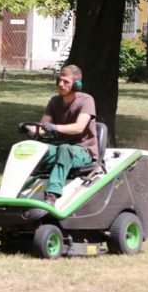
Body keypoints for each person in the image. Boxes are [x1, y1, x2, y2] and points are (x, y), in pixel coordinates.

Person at [27, 64, 98, 206]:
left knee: (65, 149)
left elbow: (78, 128)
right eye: (59, 80)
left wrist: (55, 127)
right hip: (60, 148)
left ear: (77, 85)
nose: (60, 84)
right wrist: (29, 128)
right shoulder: (54, 101)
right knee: (31, 149)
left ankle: (52, 195)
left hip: (83, 150)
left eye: (66, 82)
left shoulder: (86, 100)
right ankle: (3, 192)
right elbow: (42, 128)